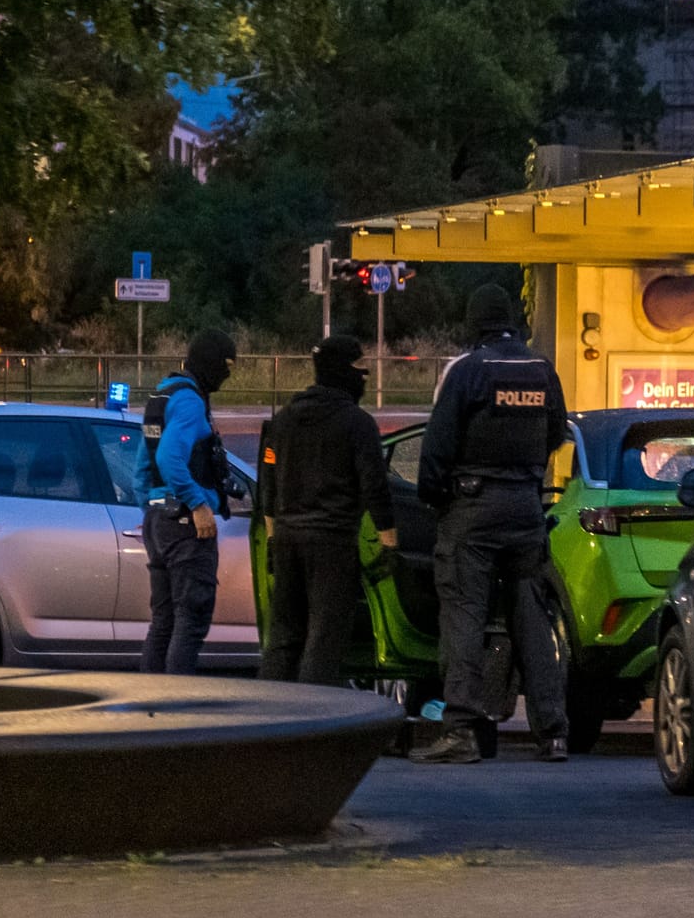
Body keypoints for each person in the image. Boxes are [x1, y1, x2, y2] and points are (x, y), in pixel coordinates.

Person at [409, 285, 571, 765]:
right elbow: (556, 432)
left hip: (473, 509)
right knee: (531, 619)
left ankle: (460, 730)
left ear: (473, 322)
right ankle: (554, 733)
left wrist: (437, 500)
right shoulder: (542, 370)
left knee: (465, 615)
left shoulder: (467, 372)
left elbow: (436, 452)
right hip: (525, 507)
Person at [258, 335, 399, 685]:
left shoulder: (284, 420)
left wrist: (275, 540)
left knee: (283, 637)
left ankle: (266, 718)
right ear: (342, 370)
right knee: (324, 638)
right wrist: (388, 540)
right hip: (332, 543)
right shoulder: (357, 423)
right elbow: (374, 485)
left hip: (288, 540)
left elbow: (268, 485)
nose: (365, 375)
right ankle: (314, 720)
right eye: (359, 368)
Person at [135, 330, 236, 675]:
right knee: (190, 621)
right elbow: (168, 458)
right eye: (227, 366)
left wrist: (151, 508)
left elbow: (142, 468)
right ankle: (178, 706)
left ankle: (152, 707)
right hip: (185, 527)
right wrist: (198, 504)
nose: (228, 375)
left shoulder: (162, 395)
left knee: (162, 622)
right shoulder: (191, 401)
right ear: (211, 364)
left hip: (159, 522)